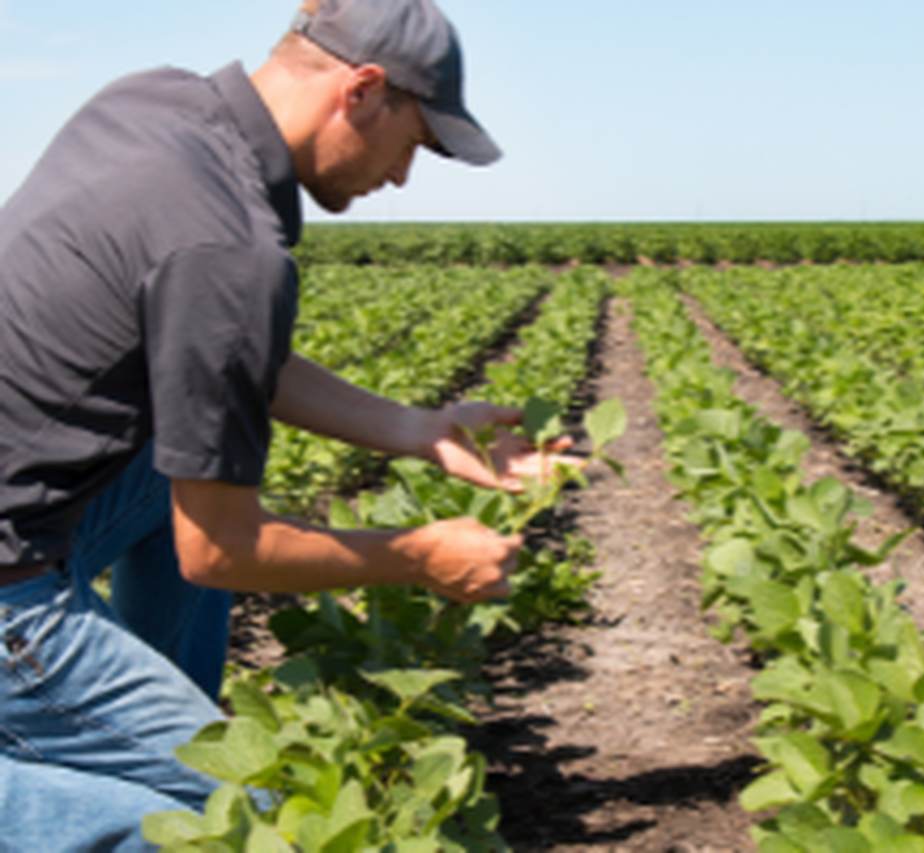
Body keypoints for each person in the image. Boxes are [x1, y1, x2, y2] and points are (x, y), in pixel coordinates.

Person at [0, 0, 569, 847]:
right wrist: (419, 555)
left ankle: (163, 730)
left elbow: (219, 346)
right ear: (365, 91)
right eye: (416, 143)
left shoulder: (154, 102)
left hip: (31, 513)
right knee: (253, 817)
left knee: (169, 465)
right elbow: (221, 551)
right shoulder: (230, 248)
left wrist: (422, 429)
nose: (405, 177)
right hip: (12, 588)